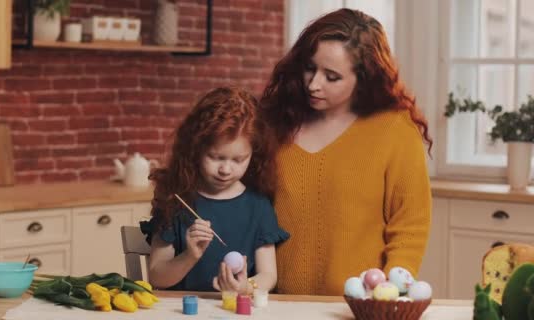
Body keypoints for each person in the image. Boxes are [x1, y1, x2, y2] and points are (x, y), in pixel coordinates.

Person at [259, 8, 433, 295]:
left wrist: (389, 291)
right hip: (277, 304)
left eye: (332, 76)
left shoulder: (395, 130)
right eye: (309, 68)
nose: (313, 84)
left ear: (364, 78)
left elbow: (410, 225)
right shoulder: (278, 122)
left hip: (359, 305)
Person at [141, 87, 289, 295]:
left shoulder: (258, 205)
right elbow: (157, 277)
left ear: (253, 155)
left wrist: (244, 287)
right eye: (216, 157)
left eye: (238, 160)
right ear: (195, 149)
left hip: (237, 309)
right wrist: (190, 255)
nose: (226, 170)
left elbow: (268, 276)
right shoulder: (176, 199)